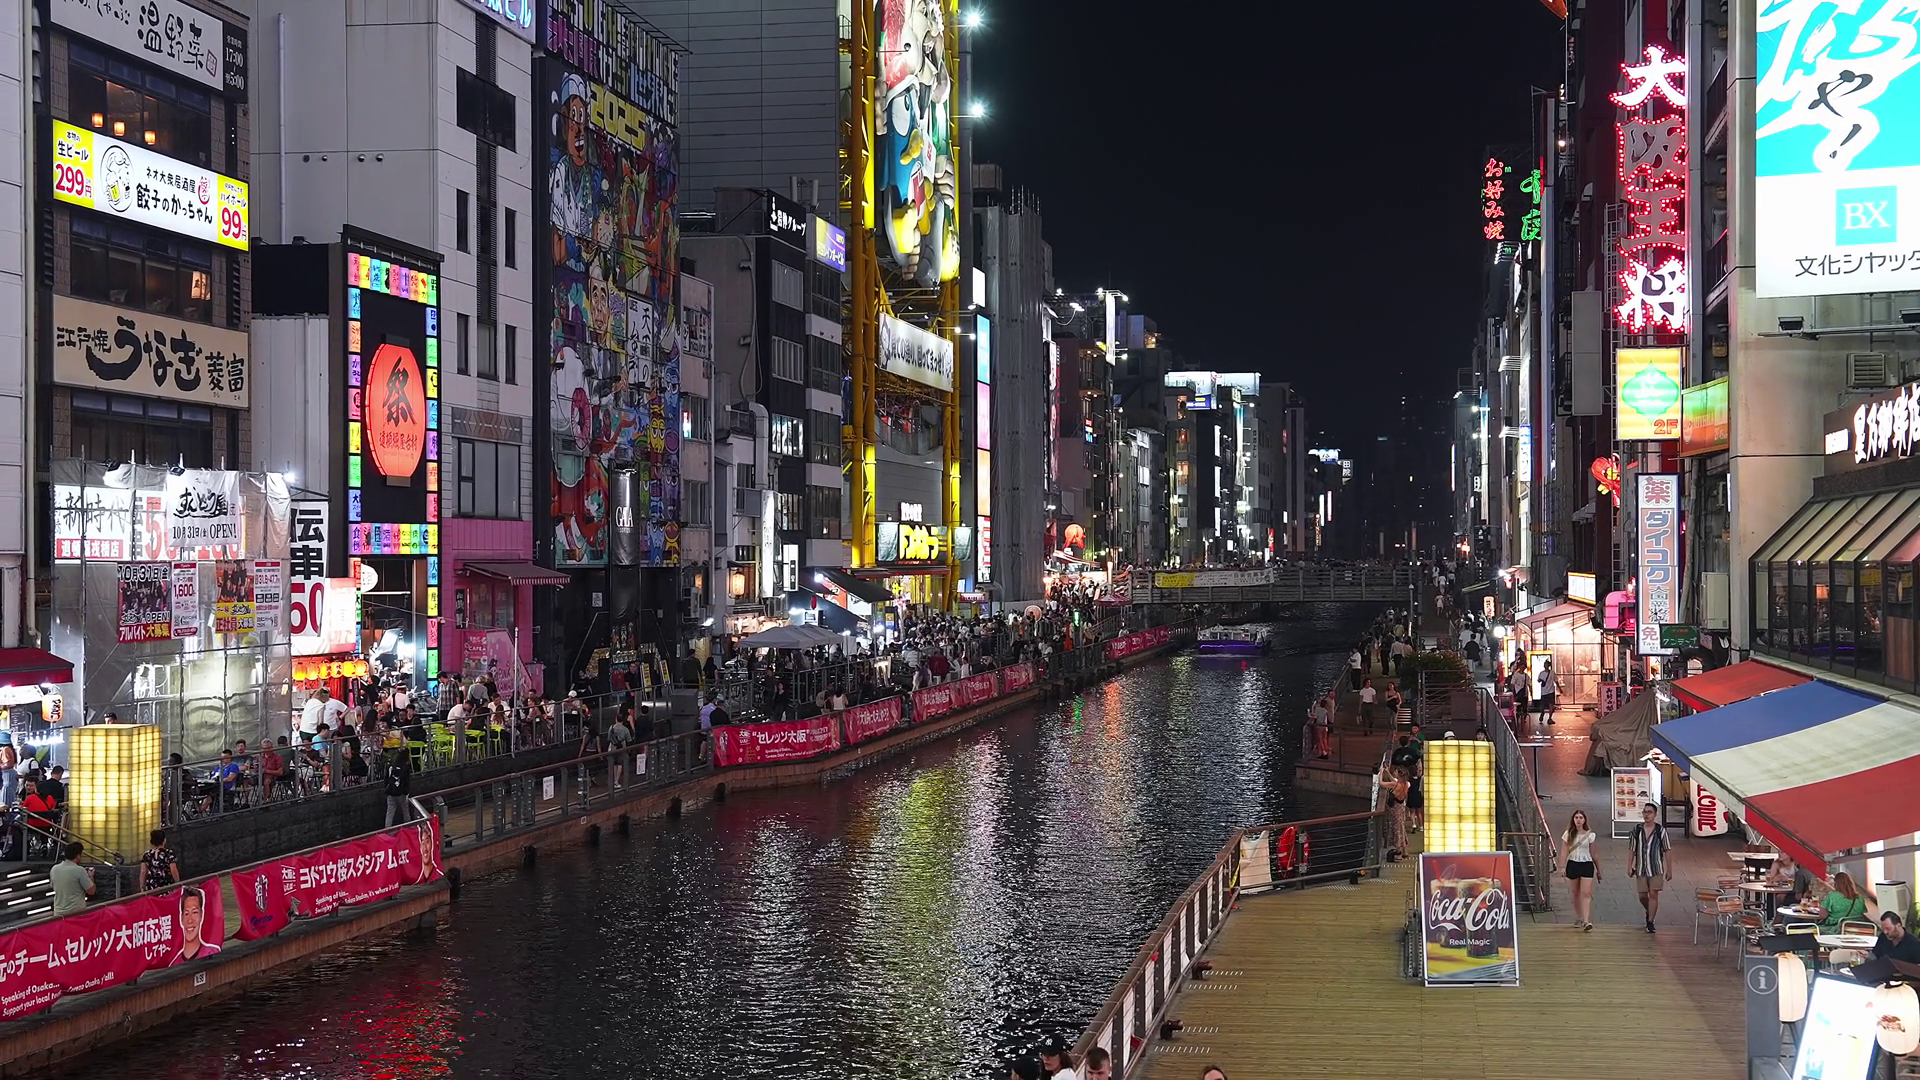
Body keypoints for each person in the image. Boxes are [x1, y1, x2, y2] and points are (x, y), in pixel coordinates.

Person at [1627, 802, 1672, 933]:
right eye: (1645, 812)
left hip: (1656, 868)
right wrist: (1629, 866)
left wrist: (1669, 869)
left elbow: (1667, 849)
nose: (1646, 815)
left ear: (1655, 814)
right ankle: (1649, 910)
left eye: (1649, 812)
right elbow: (1632, 849)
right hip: (1641, 868)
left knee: (1653, 893)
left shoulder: (1660, 831)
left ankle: (1650, 921)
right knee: (1642, 896)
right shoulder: (1637, 830)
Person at [1562, 809, 1601, 931]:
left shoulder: (1590, 835)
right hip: (1573, 863)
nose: (1578, 820)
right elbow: (1564, 852)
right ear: (1573, 820)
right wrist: (1561, 867)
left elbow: (1594, 854)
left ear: (1584, 820)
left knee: (1586, 893)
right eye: (1576, 818)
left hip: (1586, 864)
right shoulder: (1568, 834)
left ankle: (1586, 920)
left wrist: (1599, 870)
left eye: (1581, 818)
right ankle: (1578, 916)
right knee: (1575, 892)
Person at [174, 886, 221, 962]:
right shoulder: (174, 962)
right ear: (181, 918)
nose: (190, 920)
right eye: (186, 913)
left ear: (201, 914)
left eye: (195, 912)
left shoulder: (212, 952)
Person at [50, 840, 94, 915]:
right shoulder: (79, 870)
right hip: (76, 913)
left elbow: (53, 886)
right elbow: (91, 891)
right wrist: (90, 876)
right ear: (78, 856)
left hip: (58, 912)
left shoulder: (54, 869)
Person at [383, 748, 413, 828]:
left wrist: (386, 789)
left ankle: (387, 829)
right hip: (402, 793)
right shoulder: (405, 768)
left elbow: (386, 779)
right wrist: (406, 792)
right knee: (405, 810)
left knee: (390, 812)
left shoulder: (391, 767)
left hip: (391, 792)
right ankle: (408, 828)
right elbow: (406, 781)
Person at [1536, 659, 1558, 726]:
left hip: (1549, 691)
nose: (1545, 665)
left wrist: (1559, 688)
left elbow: (1556, 681)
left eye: (1546, 664)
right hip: (1546, 691)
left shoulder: (1550, 673)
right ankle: (1544, 714)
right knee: (1546, 705)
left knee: (1550, 705)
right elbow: (1556, 681)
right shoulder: (1543, 673)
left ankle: (1549, 718)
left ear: (1548, 665)